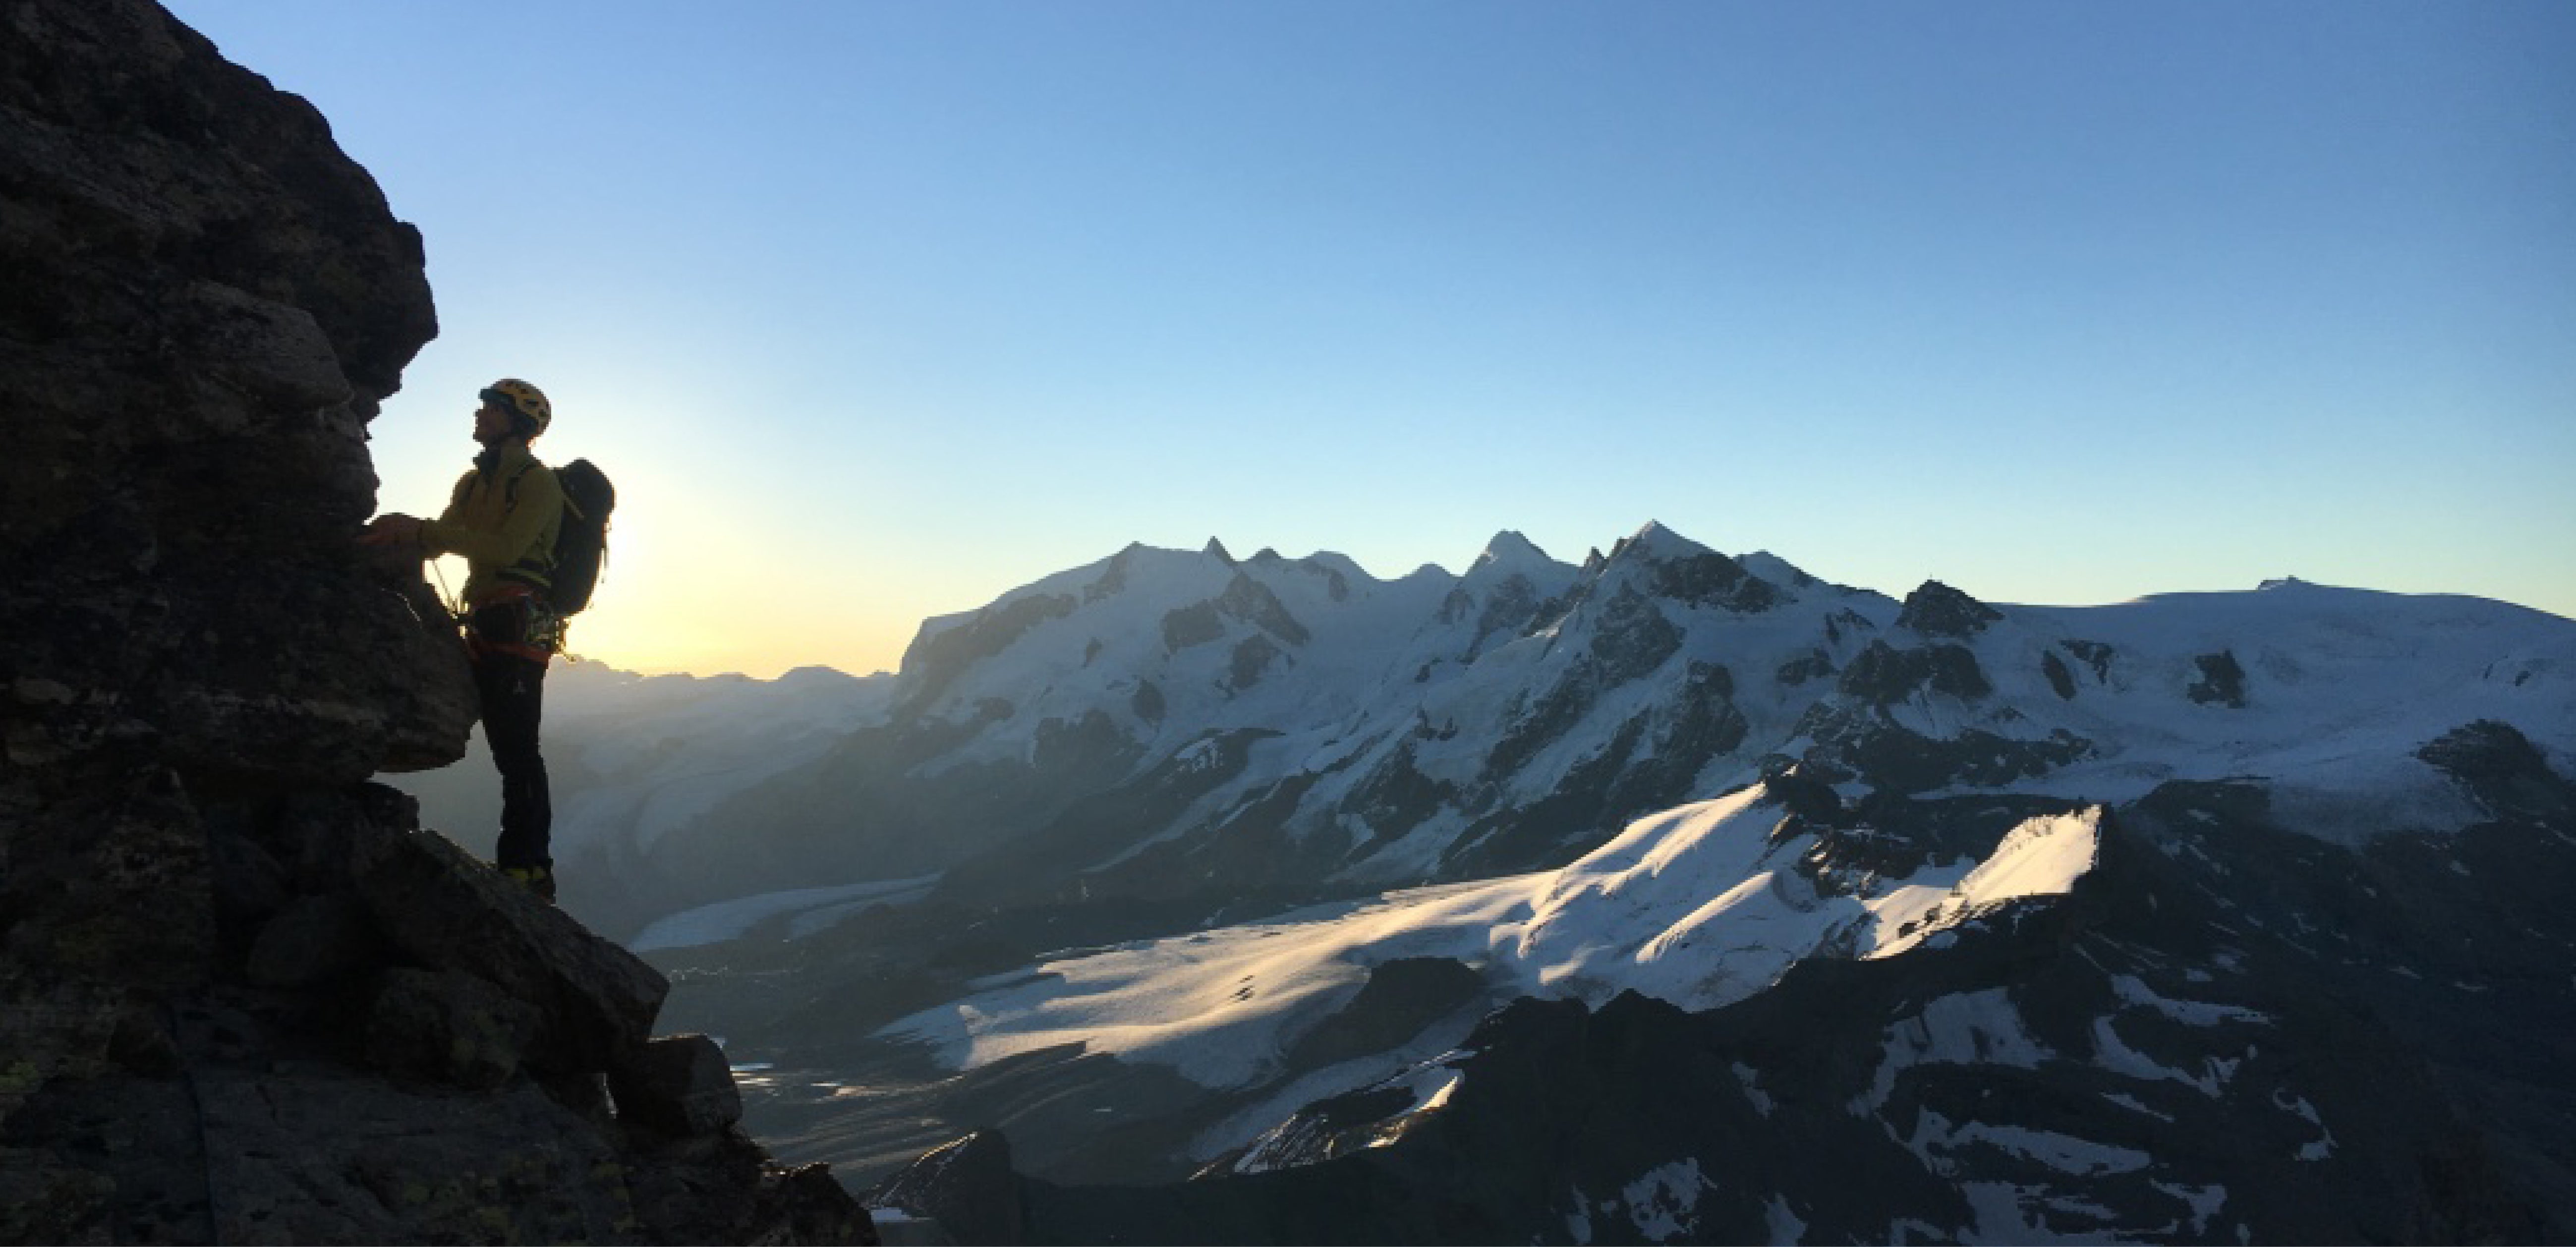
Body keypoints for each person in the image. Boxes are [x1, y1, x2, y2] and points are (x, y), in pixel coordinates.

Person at [362, 379, 566, 902]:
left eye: (491, 409)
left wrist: (419, 531)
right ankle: (523, 866)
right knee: (510, 747)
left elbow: (504, 548)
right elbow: (445, 537)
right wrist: (398, 534)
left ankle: (529, 869)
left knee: (517, 749)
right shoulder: (473, 483)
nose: (479, 415)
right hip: (488, 616)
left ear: (518, 421)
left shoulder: (538, 483)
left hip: (521, 621)